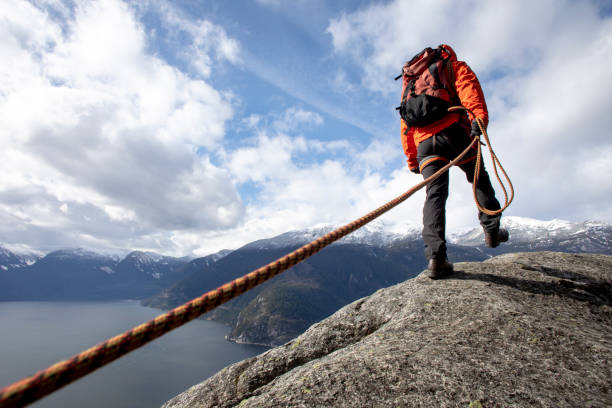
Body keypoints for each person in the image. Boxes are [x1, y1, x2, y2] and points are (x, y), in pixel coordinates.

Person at [400, 44, 509, 279]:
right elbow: (470, 92)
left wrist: (412, 159)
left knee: (435, 194)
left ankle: (436, 258)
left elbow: (405, 123)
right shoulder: (452, 67)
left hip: (425, 144)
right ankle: (491, 231)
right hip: (455, 132)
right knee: (478, 175)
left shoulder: (411, 85)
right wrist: (479, 120)